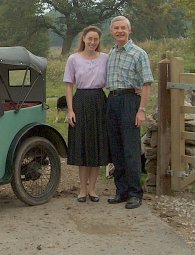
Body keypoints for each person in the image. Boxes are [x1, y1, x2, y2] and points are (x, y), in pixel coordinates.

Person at [105, 16, 153, 209]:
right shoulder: (112, 53)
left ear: (129, 30)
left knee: (131, 149)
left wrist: (141, 110)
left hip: (130, 102)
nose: (120, 31)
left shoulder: (138, 53)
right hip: (113, 100)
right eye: (116, 28)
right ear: (112, 32)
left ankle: (135, 193)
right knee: (116, 148)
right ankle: (121, 190)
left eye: (123, 28)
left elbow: (146, 83)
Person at [63, 26, 110, 203]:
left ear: (99, 41)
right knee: (83, 145)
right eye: (89, 38)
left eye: (95, 39)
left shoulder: (105, 58)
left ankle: (93, 188)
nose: (92, 42)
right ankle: (82, 188)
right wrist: (70, 109)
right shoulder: (73, 59)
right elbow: (68, 84)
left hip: (99, 101)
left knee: (97, 144)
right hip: (80, 101)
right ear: (83, 39)